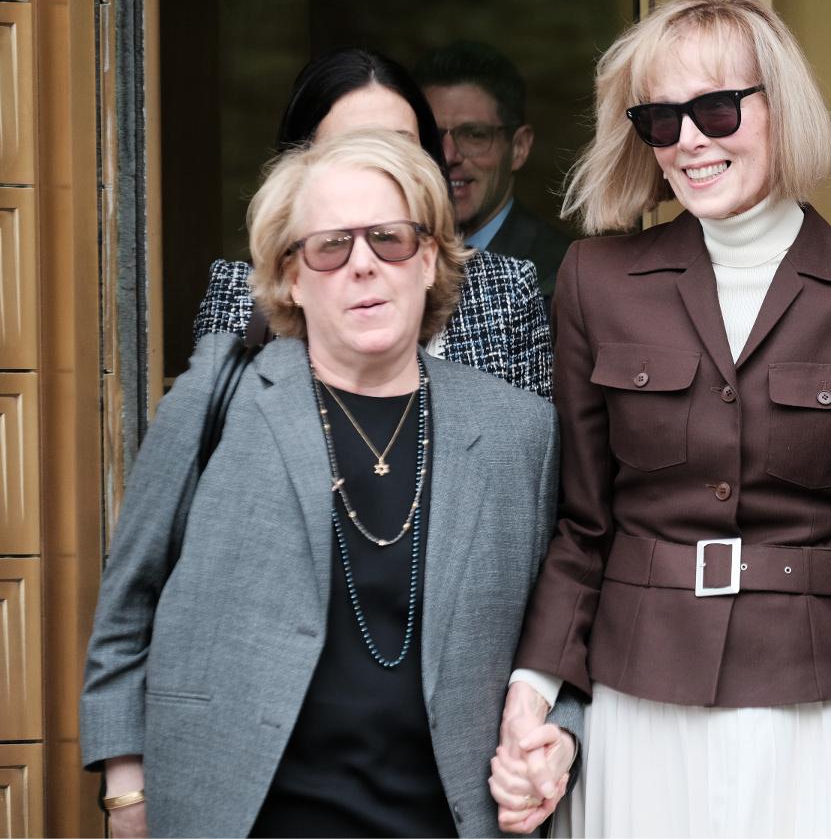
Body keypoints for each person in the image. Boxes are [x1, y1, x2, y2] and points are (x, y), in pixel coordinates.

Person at [495, 0, 831, 837]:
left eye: (716, 108)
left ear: (777, 105)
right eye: (661, 119)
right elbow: (583, 526)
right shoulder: (593, 282)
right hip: (645, 705)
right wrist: (530, 692)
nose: (690, 141)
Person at [81, 129, 578, 838]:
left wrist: (560, 737)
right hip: (246, 817)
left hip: (445, 820)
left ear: (430, 256)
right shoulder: (218, 402)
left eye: (391, 239)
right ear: (290, 275)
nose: (364, 265)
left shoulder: (518, 431)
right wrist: (126, 792)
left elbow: (561, 633)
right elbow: (126, 610)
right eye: (330, 246)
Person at [193, 47, 554, 399]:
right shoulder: (242, 294)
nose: (379, 171)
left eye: (399, 148)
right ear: (297, 167)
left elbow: (525, 453)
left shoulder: (504, 291)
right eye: (351, 149)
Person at [415, 41, 573, 300]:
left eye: (474, 135)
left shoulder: (556, 275)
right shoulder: (393, 258)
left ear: (519, 148)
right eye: (431, 136)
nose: (448, 156)